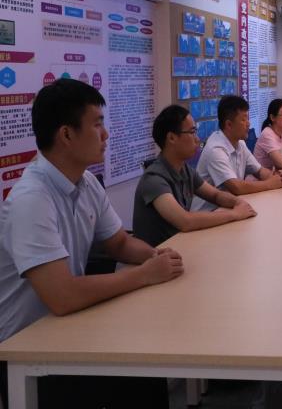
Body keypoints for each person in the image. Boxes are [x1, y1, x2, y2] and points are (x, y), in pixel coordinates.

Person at [0, 80, 183, 408]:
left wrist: (157, 256)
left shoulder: (85, 182)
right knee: (140, 376)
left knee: (147, 367)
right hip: (27, 348)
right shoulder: (31, 200)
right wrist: (145, 274)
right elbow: (63, 296)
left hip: (69, 328)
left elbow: (119, 244)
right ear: (66, 135)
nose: (106, 134)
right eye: (97, 124)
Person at [133, 105, 257, 248]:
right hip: (159, 254)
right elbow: (185, 221)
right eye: (192, 132)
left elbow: (215, 195)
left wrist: (238, 202)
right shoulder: (154, 179)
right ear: (171, 138)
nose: (197, 139)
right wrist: (235, 214)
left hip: (182, 244)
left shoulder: (184, 170)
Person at [192, 95, 282, 212]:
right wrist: (269, 184)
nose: (248, 124)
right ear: (229, 125)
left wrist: (274, 177)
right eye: (243, 119)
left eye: (247, 118)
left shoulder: (240, 143)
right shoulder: (215, 149)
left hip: (230, 206)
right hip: (208, 214)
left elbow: (259, 171)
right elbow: (236, 187)